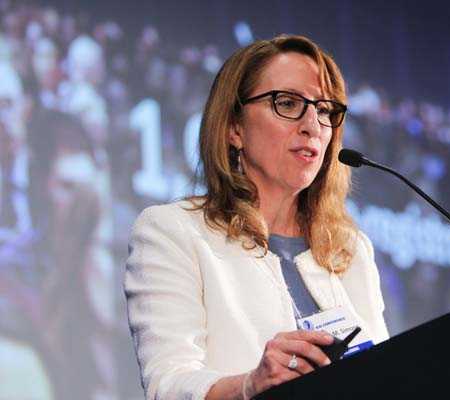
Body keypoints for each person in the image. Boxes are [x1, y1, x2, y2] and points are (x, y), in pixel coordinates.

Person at [124, 34, 389, 400]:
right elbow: (168, 384)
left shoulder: (350, 250)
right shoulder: (172, 232)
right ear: (234, 128)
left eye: (325, 110)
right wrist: (250, 386)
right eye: (288, 103)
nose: (313, 125)